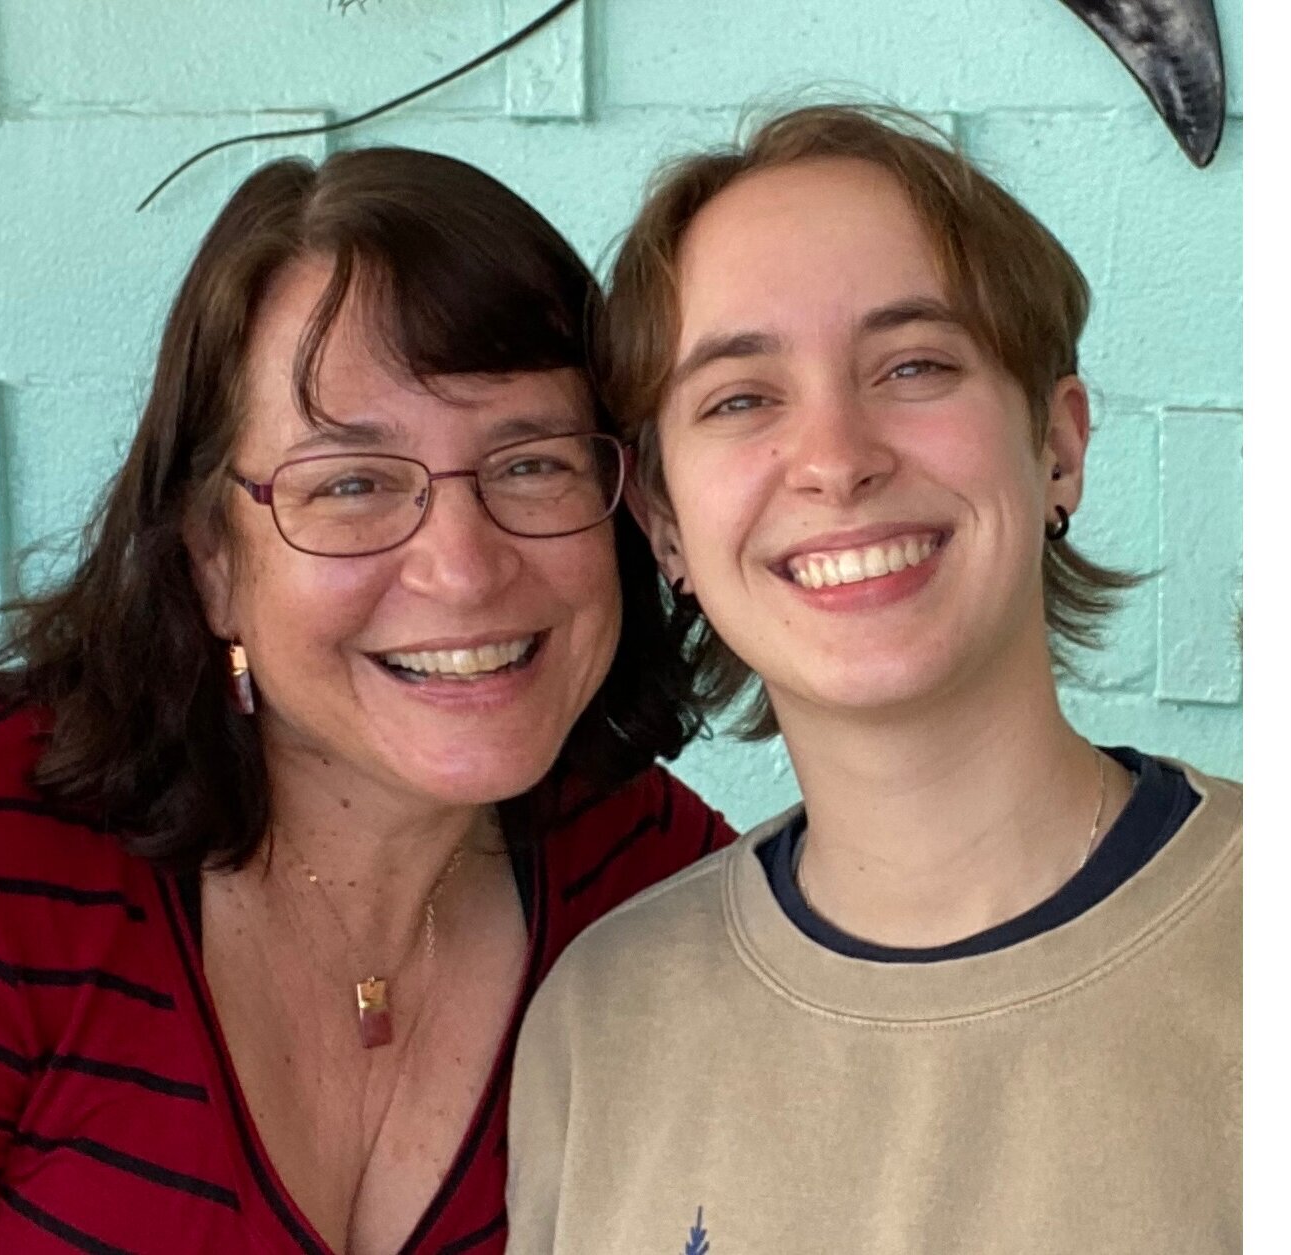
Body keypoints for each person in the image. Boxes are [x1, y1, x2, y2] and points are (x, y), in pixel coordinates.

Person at [0, 146, 738, 1255]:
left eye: (531, 463)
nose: (462, 566)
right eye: (349, 483)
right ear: (210, 557)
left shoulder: (644, 876)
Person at [507, 104, 1241, 1253]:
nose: (837, 458)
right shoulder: (600, 1022)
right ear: (663, 524)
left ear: (1057, 446)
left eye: (912, 365)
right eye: (740, 398)